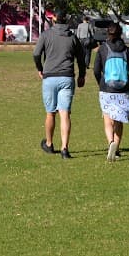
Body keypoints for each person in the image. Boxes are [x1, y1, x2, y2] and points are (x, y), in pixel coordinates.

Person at [32, 16, 87, 158]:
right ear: (67, 21)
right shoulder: (72, 37)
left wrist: (40, 68)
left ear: (54, 20)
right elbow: (81, 58)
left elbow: (36, 53)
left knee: (50, 113)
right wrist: (82, 75)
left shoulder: (46, 35)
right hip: (67, 77)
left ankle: (49, 143)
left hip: (50, 76)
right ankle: (64, 148)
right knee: (65, 113)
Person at [92, 20, 129, 161]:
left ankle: (110, 142)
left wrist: (100, 83)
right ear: (121, 34)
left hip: (106, 89)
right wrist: (128, 82)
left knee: (107, 119)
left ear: (108, 33)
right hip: (123, 90)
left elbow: (96, 70)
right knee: (119, 120)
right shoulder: (127, 50)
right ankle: (116, 149)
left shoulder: (103, 49)